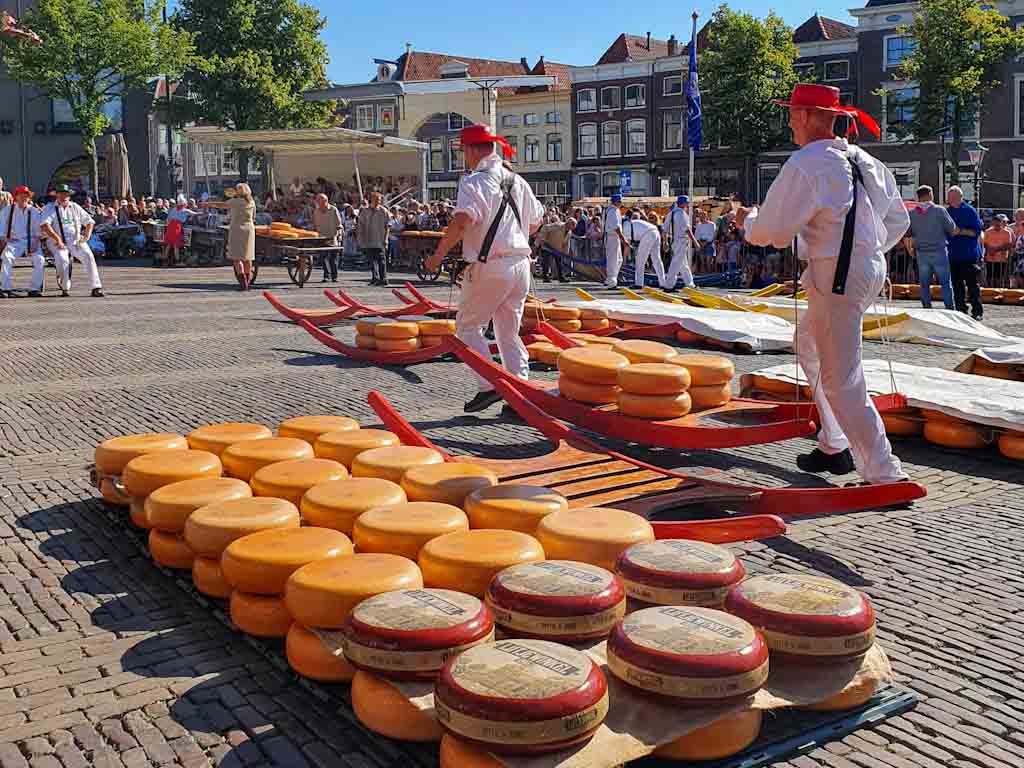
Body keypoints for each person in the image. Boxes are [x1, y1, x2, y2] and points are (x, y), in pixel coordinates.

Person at [736, 83, 909, 486]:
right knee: (809, 344)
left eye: (793, 114)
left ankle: (885, 472)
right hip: (862, 269)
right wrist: (866, 251)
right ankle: (834, 442)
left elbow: (773, 232)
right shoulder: (864, 160)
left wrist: (747, 220)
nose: (790, 123)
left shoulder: (807, 162)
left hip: (837, 275)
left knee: (841, 377)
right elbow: (898, 219)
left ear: (808, 117)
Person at [424, 123, 544, 414]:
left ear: (472, 150)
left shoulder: (474, 182)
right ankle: (520, 392)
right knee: (508, 333)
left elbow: (462, 221)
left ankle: (489, 385)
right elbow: (535, 222)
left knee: (467, 327)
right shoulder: (518, 181)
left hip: (491, 266)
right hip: (520, 266)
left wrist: (437, 256)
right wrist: (509, 233)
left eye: (463, 151)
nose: (463, 156)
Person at [40, 184, 104, 297]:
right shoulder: (49, 208)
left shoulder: (75, 207)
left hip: (75, 239)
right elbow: (45, 225)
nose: (64, 196)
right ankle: (65, 287)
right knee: (62, 259)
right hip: (56, 240)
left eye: (66, 194)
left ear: (69, 196)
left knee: (88, 255)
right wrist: (58, 239)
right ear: (56, 195)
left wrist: (86, 236)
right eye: (61, 194)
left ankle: (96, 287)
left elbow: (89, 222)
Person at [905, 185, 956, 309]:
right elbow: (952, 228)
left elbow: (908, 233)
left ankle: (926, 307)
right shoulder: (940, 211)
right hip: (939, 251)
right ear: (930, 195)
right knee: (945, 283)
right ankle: (950, 308)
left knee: (924, 283)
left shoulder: (912, 214)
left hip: (921, 252)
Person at [945, 186, 984, 320]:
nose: (951, 199)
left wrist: (960, 231)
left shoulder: (970, 211)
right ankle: (960, 310)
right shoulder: (946, 212)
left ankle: (977, 311)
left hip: (969, 255)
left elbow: (976, 232)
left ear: (961, 197)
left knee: (972, 285)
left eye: (953, 197)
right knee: (957, 286)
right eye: (950, 197)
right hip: (952, 255)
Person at [0, 186, 44, 298]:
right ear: (16, 197)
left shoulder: (34, 211)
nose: (24, 197)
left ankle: (34, 289)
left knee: (40, 259)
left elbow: (38, 232)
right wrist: (5, 238)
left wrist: (35, 244)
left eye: (26, 195)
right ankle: (5, 288)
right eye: (21, 195)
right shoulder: (7, 210)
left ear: (29, 198)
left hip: (32, 241)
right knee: (7, 257)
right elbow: (1, 229)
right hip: (14, 242)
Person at [662, 195, 699, 289]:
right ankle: (668, 285)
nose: (687, 205)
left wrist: (665, 242)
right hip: (681, 240)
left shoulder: (671, 213)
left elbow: (664, 229)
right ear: (683, 204)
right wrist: (695, 241)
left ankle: (690, 284)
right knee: (676, 263)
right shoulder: (682, 213)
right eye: (687, 203)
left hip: (674, 241)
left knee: (683, 264)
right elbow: (687, 229)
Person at [226, 183, 256, 290]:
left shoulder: (236, 201)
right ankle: (247, 281)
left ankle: (243, 284)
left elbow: (222, 205)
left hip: (237, 229)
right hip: (249, 230)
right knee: (248, 257)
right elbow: (254, 217)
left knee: (236, 257)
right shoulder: (251, 202)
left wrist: (208, 204)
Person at [624, 211, 666, 288]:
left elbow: (627, 245)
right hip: (655, 232)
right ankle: (663, 283)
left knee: (640, 260)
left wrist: (624, 259)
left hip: (648, 234)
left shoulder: (625, 228)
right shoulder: (631, 223)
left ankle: (639, 283)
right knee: (657, 260)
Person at [358, 191, 389, 286]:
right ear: (371, 199)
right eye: (376, 199)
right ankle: (375, 278)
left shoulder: (384, 211)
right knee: (371, 260)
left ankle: (383, 278)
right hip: (368, 239)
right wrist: (361, 238)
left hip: (380, 239)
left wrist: (386, 239)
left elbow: (388, 226)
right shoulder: (365, 211)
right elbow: (361, 225)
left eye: (379, 200)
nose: (378, 201)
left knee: (381, 260)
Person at [312, 193, 343, 282]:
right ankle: (326, 276)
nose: (318, 203)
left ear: (325, 201)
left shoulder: (333, 209)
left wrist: (339, 236)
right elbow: (314, 224)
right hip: (321, 238)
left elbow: (339, 224)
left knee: (333, 259)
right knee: (323, 257)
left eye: (319, 201)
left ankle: (334, 276)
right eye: (317, 201)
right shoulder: (316, 211)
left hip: (333, 237)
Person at [602, 194, 628, 289]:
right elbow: (616, 227)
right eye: (620, 201)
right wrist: (623, 239)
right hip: (612, 236)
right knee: (613, 259)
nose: (621, 203)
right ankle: (612, 281)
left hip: (612, 236)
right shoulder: (613, 211)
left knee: (618, 259)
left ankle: (611, 279)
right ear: (616, 202)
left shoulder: (610, 210)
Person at [163, 194, 195, 266]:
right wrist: (203, 213)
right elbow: (194, 214)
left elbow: (168, 220)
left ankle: (164, 260)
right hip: (177, 227)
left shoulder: (173, 209)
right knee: (176, 245)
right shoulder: (184, 210)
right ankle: (177, 261)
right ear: (184, 204)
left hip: (170, 227)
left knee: (168, 244)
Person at [982, 213, 1012, 289]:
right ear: (992, 223)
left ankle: (998, 290)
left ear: (1001, 223)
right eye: (995, 224)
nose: (997, 226)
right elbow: (985, 243)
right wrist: (989, 250)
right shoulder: (987, 232)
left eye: (998, 224)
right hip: (990, 258)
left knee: (999, 276)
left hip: (1001, 259)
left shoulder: (1007, 233)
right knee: (989, 276)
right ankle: (990, 290)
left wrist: (996, 250)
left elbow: (1008, 245)